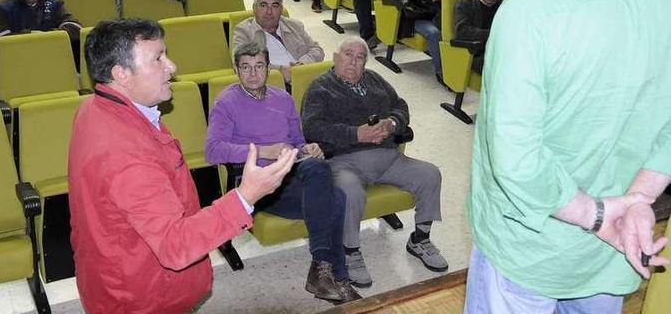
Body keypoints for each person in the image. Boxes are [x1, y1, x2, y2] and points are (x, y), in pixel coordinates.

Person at [464, 0, 671, 314]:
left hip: (534, 250)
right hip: (615, 246)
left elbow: (516, 161)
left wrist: (597, 216)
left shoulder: (530, 9)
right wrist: (636, 201)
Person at [68, 18, 297, 313]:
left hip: (115, 276)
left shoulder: (94, 107)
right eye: (158, 58)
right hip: (143, 298)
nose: (172, 66)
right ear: (121, 74)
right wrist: (246, 196)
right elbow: (174, 246)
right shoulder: (127, 154)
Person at [206, 43, 359, 303]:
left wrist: (307, 147)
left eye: (259, 67)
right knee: (335, 197)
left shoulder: (283, 99)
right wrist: (266, 151)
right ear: (236, 70)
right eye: (246, 68)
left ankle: (325, 274)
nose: (253, 74)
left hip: (291, 175)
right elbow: (213, 151)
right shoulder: (226, 102)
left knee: (324, 176)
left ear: (268, 68)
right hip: (256, 186)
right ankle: (336, 277)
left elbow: (297, 142)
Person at [301, 37, 447, 287]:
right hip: (343, 160)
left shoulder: (375, 79)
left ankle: (420, 239)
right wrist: (356, 134)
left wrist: (391, 123)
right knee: (350, 192)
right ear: (336, 57)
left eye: (360, 58)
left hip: (387, 157)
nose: (353, 61)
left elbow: (400, 105)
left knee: (430, 174)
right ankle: (350, 252)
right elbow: (312, 127)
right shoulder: (320, 88)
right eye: (348, 54)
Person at [233, 0, 324, 83]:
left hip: (306, 78)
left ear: (281, 9)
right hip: (274, 86)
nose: (269, 12)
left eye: (274, 6)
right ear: (254, 8)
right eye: (263, 5)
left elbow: (317, 50)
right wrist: (280, 72)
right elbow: (241, 64)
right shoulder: (244, 31)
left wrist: (301, 66)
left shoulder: (294, 25)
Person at [453, 0, 503, 73]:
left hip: (502, 49)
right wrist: (495, 34)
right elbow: (462, 32)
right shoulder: (465, 4)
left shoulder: (505, 2)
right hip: (478, 53)